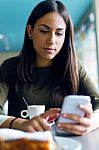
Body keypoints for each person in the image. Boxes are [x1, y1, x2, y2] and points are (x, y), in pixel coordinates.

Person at [0, 0, 99, 135]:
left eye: (59, 33)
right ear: (30, 31)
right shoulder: (10, 67)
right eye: (44, 31)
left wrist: (92, 122)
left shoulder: (74, 67)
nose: (52, 40)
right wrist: (21, 123)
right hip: (22, 144)